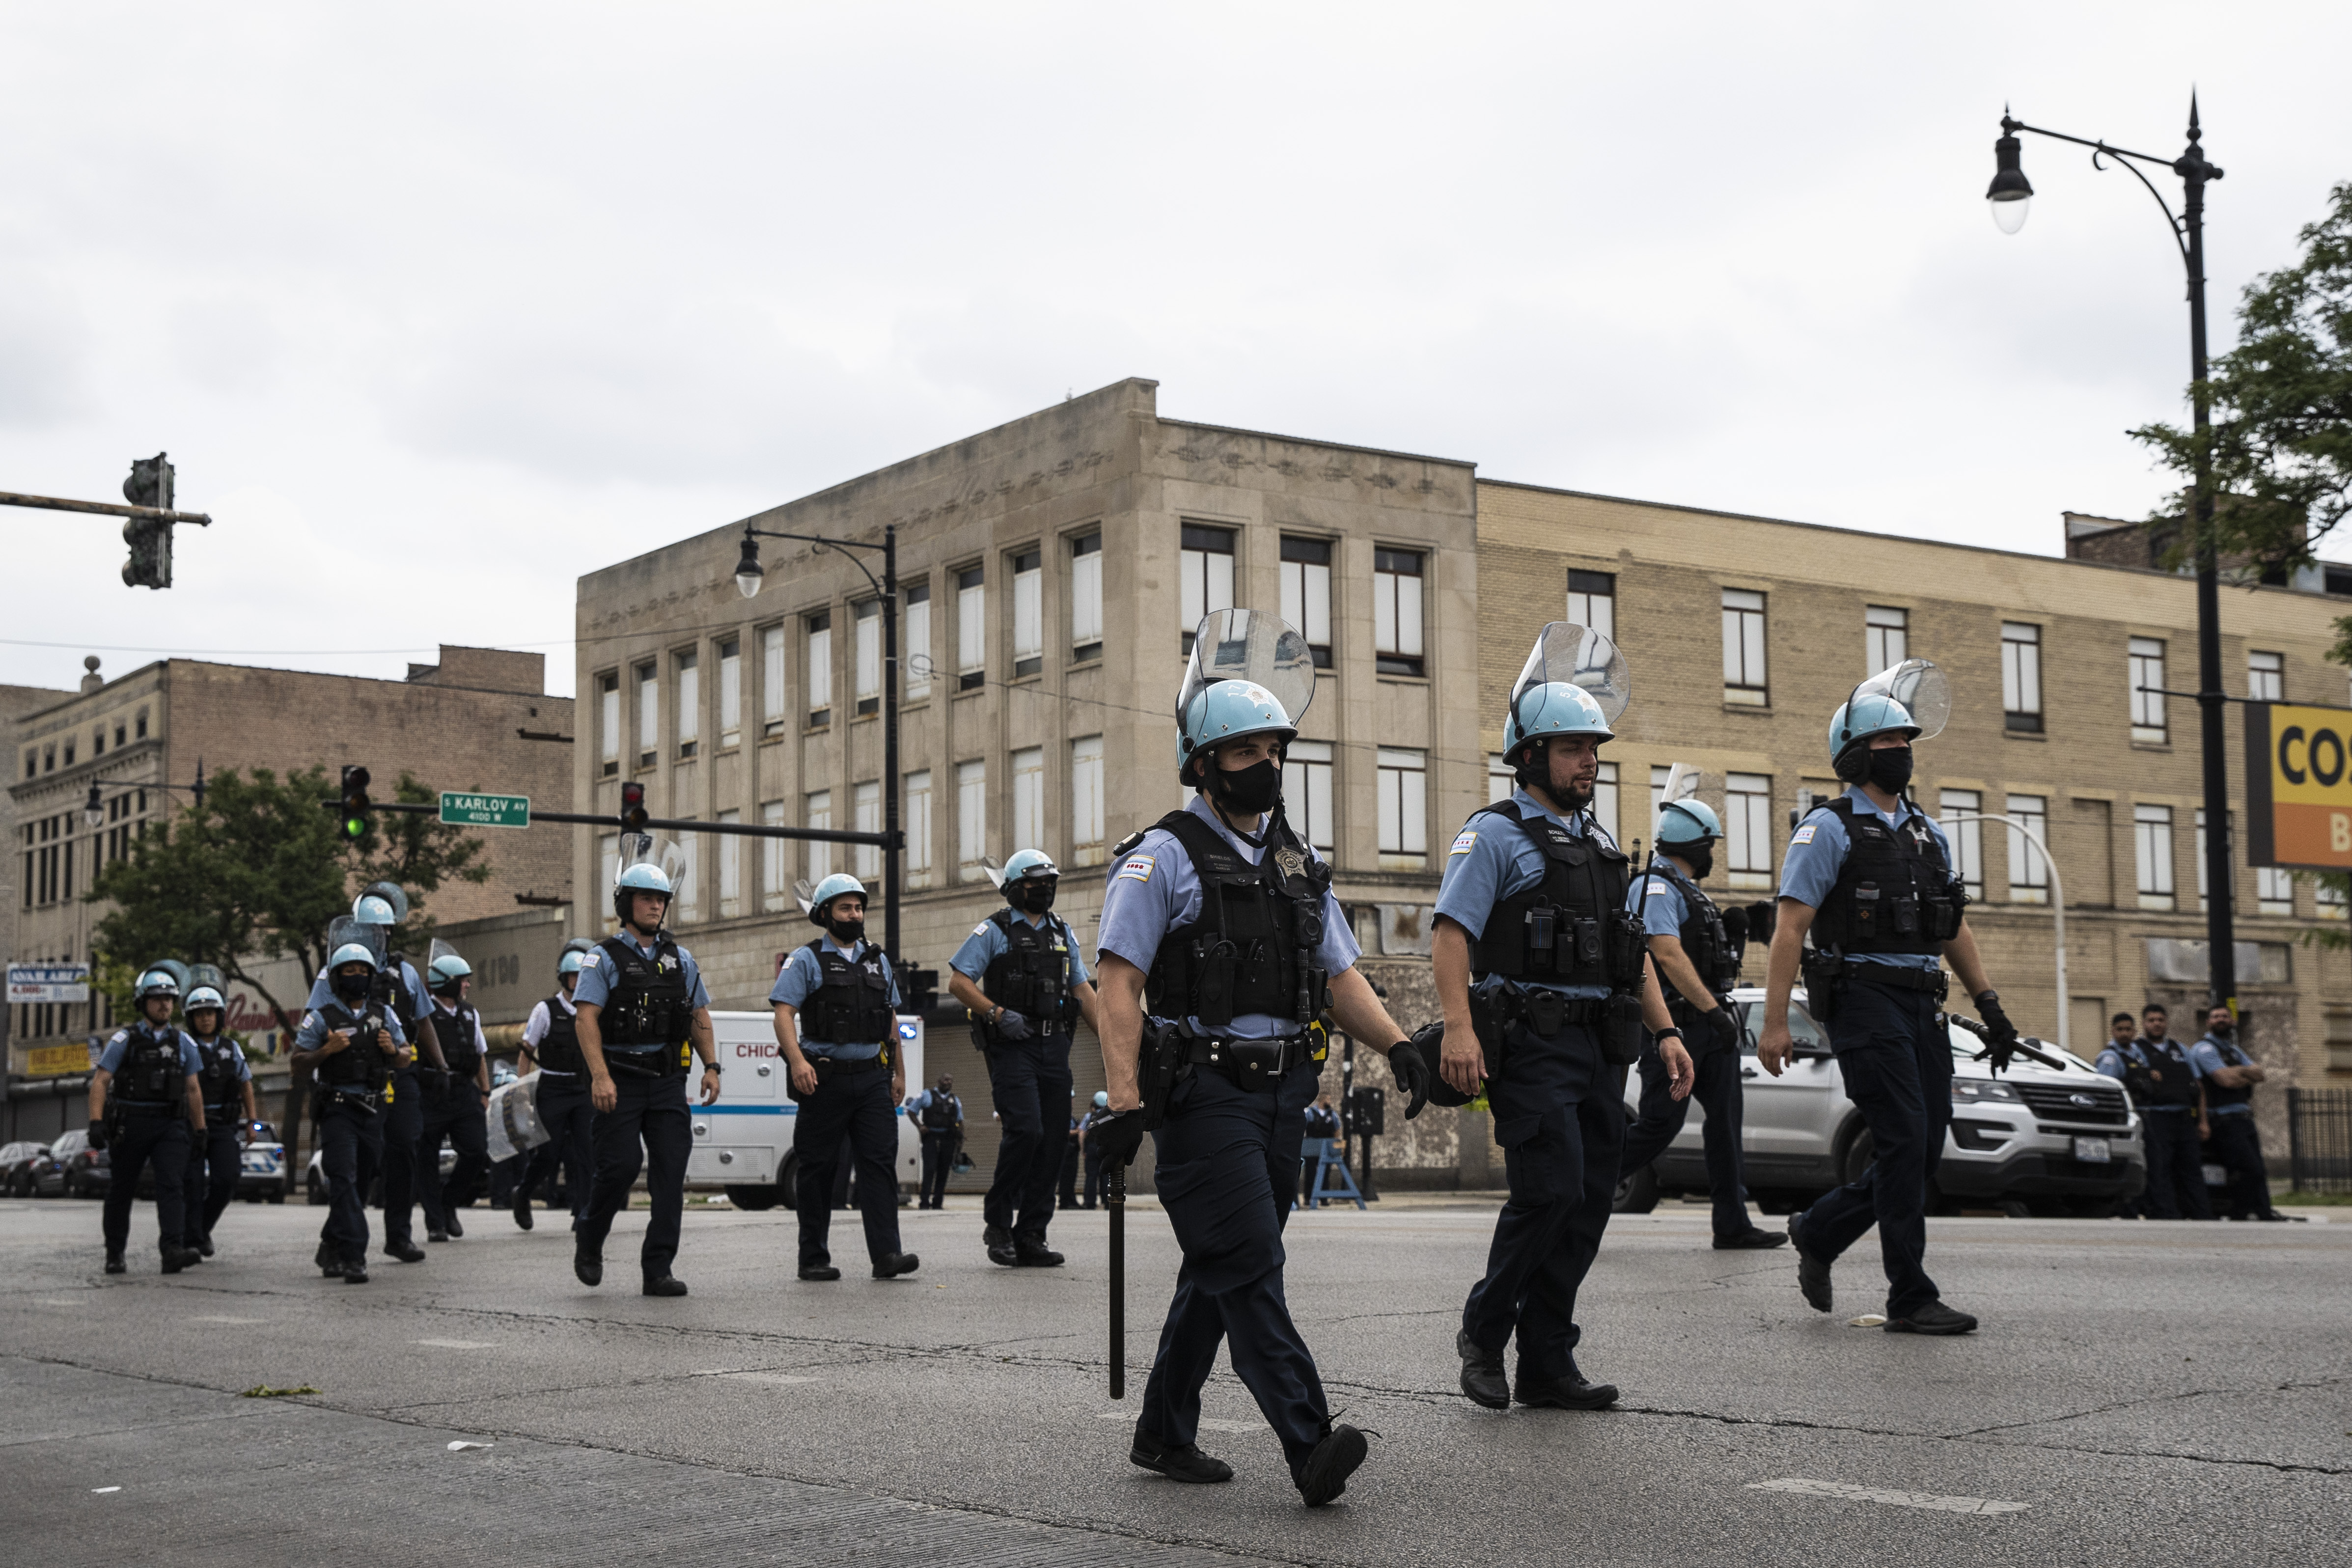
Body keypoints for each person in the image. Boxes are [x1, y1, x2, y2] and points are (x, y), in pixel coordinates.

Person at [1089, 607, 1430, 1508]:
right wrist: (1122, 1099)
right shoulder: (1160, 857)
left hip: (1283, 1098)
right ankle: (1308, 1440)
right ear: (1202, 763)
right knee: (1248, 1264)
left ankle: (1163, 1429)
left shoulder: (1296, 863)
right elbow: (1117, 983)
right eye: (1243, 750)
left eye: (1273, 746)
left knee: (1219, 1266)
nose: (1265, 763)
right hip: (1201, 1098)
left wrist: (1398, 1045)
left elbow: (1338, 974)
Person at [1431, 622, 1694, 1415]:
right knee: (1545, 1192)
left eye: (1592, 747)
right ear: (1530, 755)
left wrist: (1667, 1030)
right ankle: (1484, 1331)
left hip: (1599, 1043)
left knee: (1585, 1199)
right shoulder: (1493, 835)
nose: (1588, 760)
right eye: (1571, 746)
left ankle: (1546, 1361)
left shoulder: (1601, 844)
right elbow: (1450, 934)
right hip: (1531, 1042)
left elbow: (1630, 951)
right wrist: (1457, 1028)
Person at [1761, 659, 2014, 1335]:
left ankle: (1818, 1231)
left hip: (1921, 1002)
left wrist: (1989, 1004)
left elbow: (1951, 925)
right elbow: (1790, 925)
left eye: (1906, 743)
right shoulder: (1829, 829)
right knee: (1901, 1138)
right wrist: (1776, 1021)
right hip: (1862, 999)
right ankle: (1910, 1294)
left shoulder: (1930, 834)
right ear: (1854, 754)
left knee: (1923, 1148)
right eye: (1887, 744)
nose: (1902, 753)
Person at [1617, 787, 1784, 1250]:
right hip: (1676, 1026)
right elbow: (1666, 954)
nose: (1713, 854)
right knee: (1659, 1124)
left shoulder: (1690, 891)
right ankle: (1580, 1190)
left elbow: (1700, 955)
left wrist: (1737, 935)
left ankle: (1731, 1222)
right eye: (1710, 845)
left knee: (1726, 1124)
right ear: (1696, 845)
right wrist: (1713, 1012)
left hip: (1709, 1026)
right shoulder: (1653, 885)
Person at [574, 837, 724, 1296]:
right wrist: (600, 1075)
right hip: (619, 1080)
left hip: (666, 1082)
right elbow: (586, 1018)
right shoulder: (602, 958)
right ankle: (590, 1235)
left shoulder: (682, 959)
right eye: (646, 897)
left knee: (669, 1174)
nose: (655, 906)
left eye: (661, 899)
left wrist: (712, 1066)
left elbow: (698, 1016)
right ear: (626, 903)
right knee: (619, 1168)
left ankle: (657, 1268)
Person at [949, 849, 1103, 1267]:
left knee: (1054, 1139)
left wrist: (1111, 1041)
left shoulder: (1061, 931)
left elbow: (1083, 991)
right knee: (1026, 1131)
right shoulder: (994, 930)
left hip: (1054, 1047)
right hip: (1012, 1046)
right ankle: (998, 1224)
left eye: (1050, 883)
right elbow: (959, 982)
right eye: (1036, 884)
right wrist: (995, 1012)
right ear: (1016, 888)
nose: (1045, 890)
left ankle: (1032, 1233)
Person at [775, 873, 919, 1283]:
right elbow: (783, 1012)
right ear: (825, 914)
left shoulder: (877, 959)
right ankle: (814, 1257)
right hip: (824, 1078)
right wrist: (797, 1060)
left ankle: (887, 1254)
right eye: (845, 907)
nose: (854, 914)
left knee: (878, 1165)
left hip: (873, 1079)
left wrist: (898, 1074)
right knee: (818, 1168)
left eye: (858, 907)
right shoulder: (805, 959)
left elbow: (889, 1018)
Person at [304, 885, 443, 1266]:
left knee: (405, 1150)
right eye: (371, 928)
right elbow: (314, 1025)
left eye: (384, 929)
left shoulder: (406, 973)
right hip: (350, 1082)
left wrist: (442, 1066)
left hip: (399, 1072)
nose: (378, 935)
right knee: (358, 1168)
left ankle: (398, 1235)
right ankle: (336, 1241)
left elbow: (425, 1022)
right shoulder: (332, 975)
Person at [290, 944, 409, 1283]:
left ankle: (331, 1246)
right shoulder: (321, 1017)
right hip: (338, 1109)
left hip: (374, 1110)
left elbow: (405, 1055)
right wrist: (326, 1050)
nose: (357, 977)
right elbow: (297, 1064)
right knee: (342, 1177)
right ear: (337, 978)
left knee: (359, 1183)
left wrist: (393, 1050)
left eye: (363, 971)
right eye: (349, 971)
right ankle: (355, 1255)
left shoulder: (384, 1014)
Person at [90, 968, 206, 1276]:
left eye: (169, 999)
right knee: (122, 1188)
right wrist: (96, 1122)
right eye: (157, 999)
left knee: (172, 1186)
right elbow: (101, 1081)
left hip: (170, 1125)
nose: (164, 1005)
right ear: (142, 1003)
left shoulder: (184, 1043)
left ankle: (172, 1249)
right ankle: (115, 1252)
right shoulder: (124, 1040)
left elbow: (194, 1089)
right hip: (132, 1121)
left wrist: (201, 1130)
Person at [2096, 1007, 2210, 1220]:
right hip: (2153, 1117)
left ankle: (2199, 1213)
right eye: (2152, 1020)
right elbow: (2106, 1089)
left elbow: (2197, 1085)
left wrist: (2203, 1121)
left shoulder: (2166, 1051)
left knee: (2191, 1169)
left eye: (2160, 1020)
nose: (2157, 1024)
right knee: (2159, 1168)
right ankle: (2163, 1212)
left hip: (2183, 1117)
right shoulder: (2116, 1055)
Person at [516, 940, 598, 1230]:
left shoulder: (593, 1009)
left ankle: (583, 1212)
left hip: (583, 1089)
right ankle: (523, 1195)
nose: (578, 982)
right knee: (549, 1154)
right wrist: (523, 1090)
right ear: (564, 978)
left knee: (586, 1153)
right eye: (573, 976)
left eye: (583, 977)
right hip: (552, 1089)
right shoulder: (546, 1010)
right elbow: (526, 1051)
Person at [416, 950, 492, 1243]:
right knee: (427, 1159)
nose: (468, 986)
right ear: (447, 983)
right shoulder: (422, 1014)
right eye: (463, 981)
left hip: (463, 1093)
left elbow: (480, 1054)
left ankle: (449, 1203)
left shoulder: (470, 1013)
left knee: (476, 1151)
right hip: (431, 1093)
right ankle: (435, 1222)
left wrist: (485, 1091)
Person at [2189, 1003, 2287, 1222]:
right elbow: (2223, 1079)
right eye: (2216, 1017)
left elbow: (2260, 1074)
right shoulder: (2204, 1049)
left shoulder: (2233, 1050)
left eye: (2225, 1016)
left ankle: (2264, 1213)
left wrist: (2237, 1073)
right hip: (2223, 1120)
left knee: (2259, 1170)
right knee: (2248, 1169)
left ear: (2233, 1021)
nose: (2221, 1020)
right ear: (2208, 1022)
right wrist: (2244, 1074)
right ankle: (2239, 1215)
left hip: (2244, 1118)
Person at [179, 984, 256, 1260]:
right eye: (199, 1014)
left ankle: (202, 1229)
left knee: (228, 1177)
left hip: (223, 1125)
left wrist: (252, 1122)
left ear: (220, 1016)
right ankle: (192, 1239)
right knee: (192, 1183)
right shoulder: (183, 1045)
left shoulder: (231, 1048)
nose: (205, 1019)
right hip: (191, 1126)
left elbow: (246, 1084)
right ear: (191, 1018)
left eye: (211, 1013)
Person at [906, 1073, 963, 1210]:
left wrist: (960, 1139)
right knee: (930, 1169)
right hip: (931, 1137)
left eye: (951, 1080)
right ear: (939, 1081)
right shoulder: (927, 1095)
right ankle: (924, 1202)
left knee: (943, 1171)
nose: (948, 1082)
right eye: (945, 1079)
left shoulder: (954, 1100)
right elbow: (911, 1111)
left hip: (948, 1138)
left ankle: (938, 1203)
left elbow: (960, 1120)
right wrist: (920, 1126)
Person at [1300, 1096, 1341, 1208]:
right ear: (1322, 1100)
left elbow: (1337, 1129)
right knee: (1310, 1173)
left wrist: (1335, 1144)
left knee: (1326, 1173)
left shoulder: (1332, 1115)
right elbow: (1303, 1126)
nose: (1330, 1102)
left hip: (1327, 1146)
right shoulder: (1310, 1113)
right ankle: (1308, 1198)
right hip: (1312, 1146)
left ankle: (1324, 1199)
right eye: (1328, 1099)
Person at [1080, 1090, 1113, 1209]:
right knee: (1106, 1176)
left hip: (1092, 1148)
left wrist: (1083, 1150)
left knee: (1091, 1176)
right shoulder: (1110, 1117)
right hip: (1106, 1148)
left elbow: (1082, 1133)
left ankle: (1090, 1203)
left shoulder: (1090, 1116)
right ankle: (1108, 1202)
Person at [1059, 1094, 1083, 1210]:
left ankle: (1071, 1200)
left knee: (1071, 1177)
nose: (1072, 1102)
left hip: (1072, 1151)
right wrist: (1077, 1132)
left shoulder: (1069, 1115)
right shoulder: (1061, 1114)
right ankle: (1065, 1201)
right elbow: (1063, 1132)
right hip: (1066, 1151)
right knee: (1066, 1177)